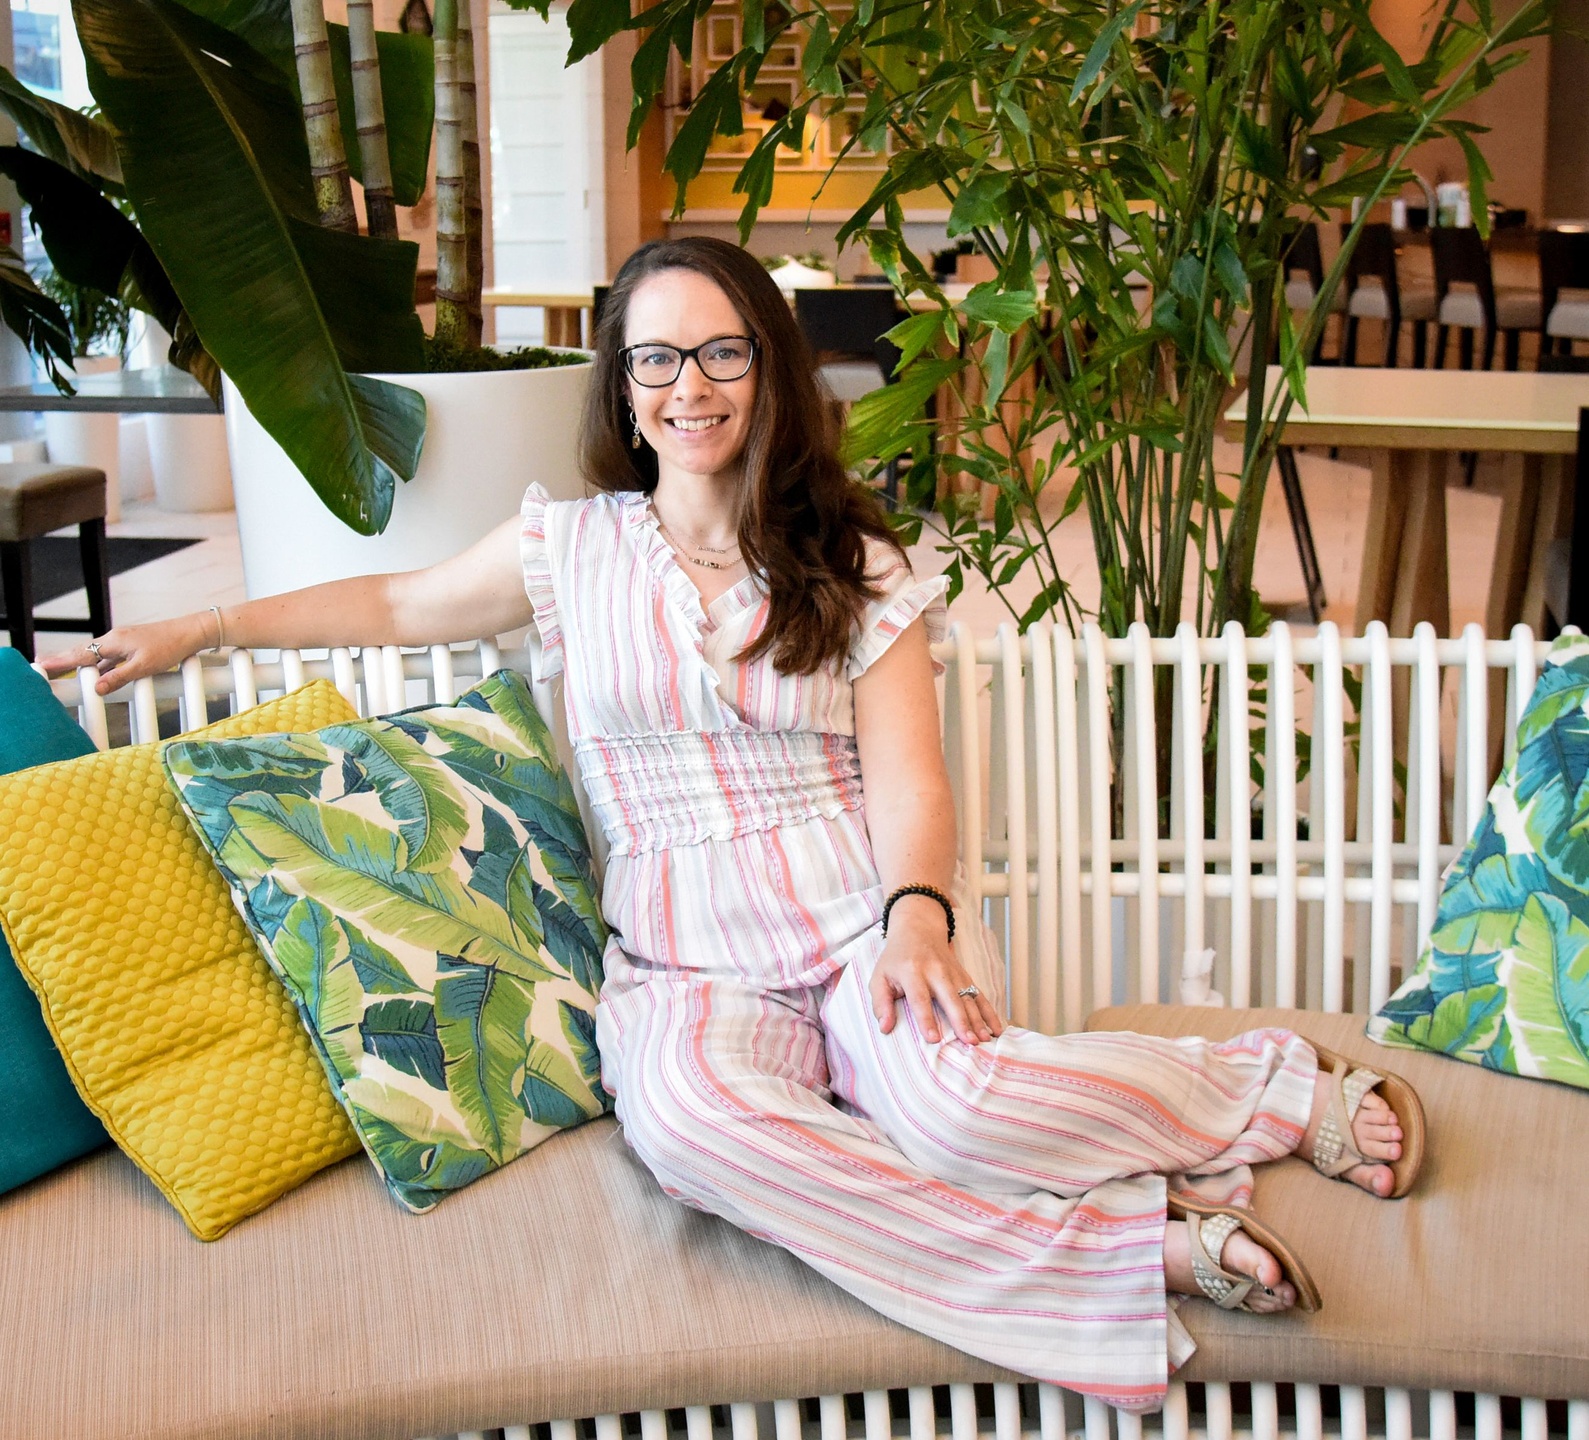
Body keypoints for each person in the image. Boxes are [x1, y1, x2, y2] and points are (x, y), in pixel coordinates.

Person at [42, 236, 1420, 1411]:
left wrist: (919, 920)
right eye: (656, 359)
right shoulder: (569, 548)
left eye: (718, 353)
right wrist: (203, 624)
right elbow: (397, 603)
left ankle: (1272, 1090)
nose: (687, 385)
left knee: (962, 1110)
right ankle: (1127, 1250)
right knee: (692, 1130)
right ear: (623, 389)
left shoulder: (851, 561)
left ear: (767, 372)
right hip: (683, 955)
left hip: (857, 919)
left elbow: (910, 778)